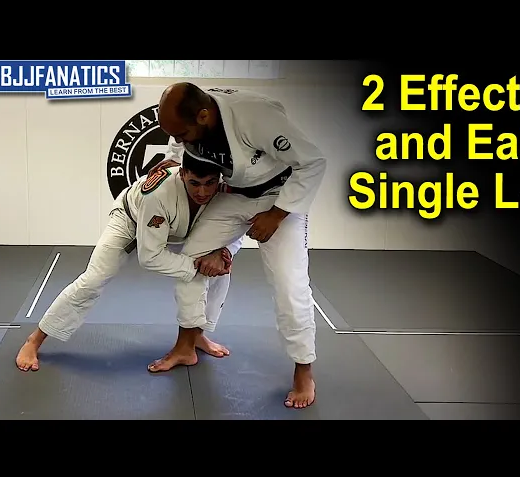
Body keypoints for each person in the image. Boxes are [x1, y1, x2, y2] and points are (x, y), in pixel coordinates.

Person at [151, 82, 327, 409]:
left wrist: (276, 214)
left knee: (290, 286)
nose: (178, 139)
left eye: (182, 133)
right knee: (191, 259)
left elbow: (313, 161)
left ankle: (304, 369)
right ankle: (190, 341)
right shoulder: (192, 120)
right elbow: (178, 147)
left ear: (203, 116)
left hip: (280, 196)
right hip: (234, 196)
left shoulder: (256, 116)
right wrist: (171, 161)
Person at [16, 153, 242, 372]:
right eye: (194, 183)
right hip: (130, 220)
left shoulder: (226, 192)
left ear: (219, 178)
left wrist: (223, 253)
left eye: (209, 183)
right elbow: (150, 256)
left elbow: (235, 227)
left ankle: (196, 335)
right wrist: (195, 267)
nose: (202, 192)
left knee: (218, 272)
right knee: (93, 280)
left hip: (178, 230)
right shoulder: (158, 193)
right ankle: (34, 340)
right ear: (182, 174)